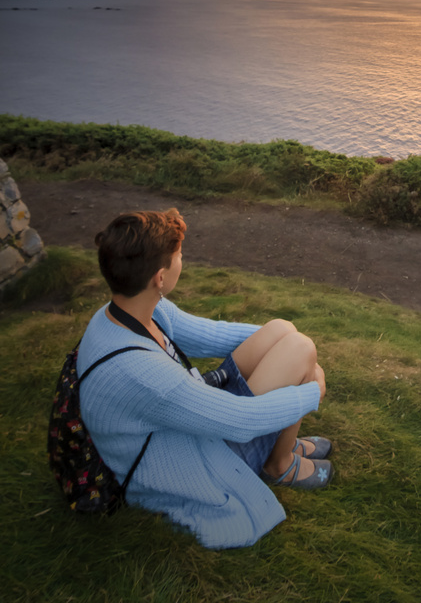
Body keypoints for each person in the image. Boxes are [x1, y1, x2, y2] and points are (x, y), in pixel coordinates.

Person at [77, 207, 332, 549]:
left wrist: (281, 338)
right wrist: (311, 391)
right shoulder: (140, 373)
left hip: (177, 425)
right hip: (189, 459)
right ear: (160, 278)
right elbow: (240, 421)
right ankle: (279, 462)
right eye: (179, 256)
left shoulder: (128, 310)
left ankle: (281, 439)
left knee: (287, 335)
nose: (183, 259)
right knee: (301, 354)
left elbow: (213, 334)